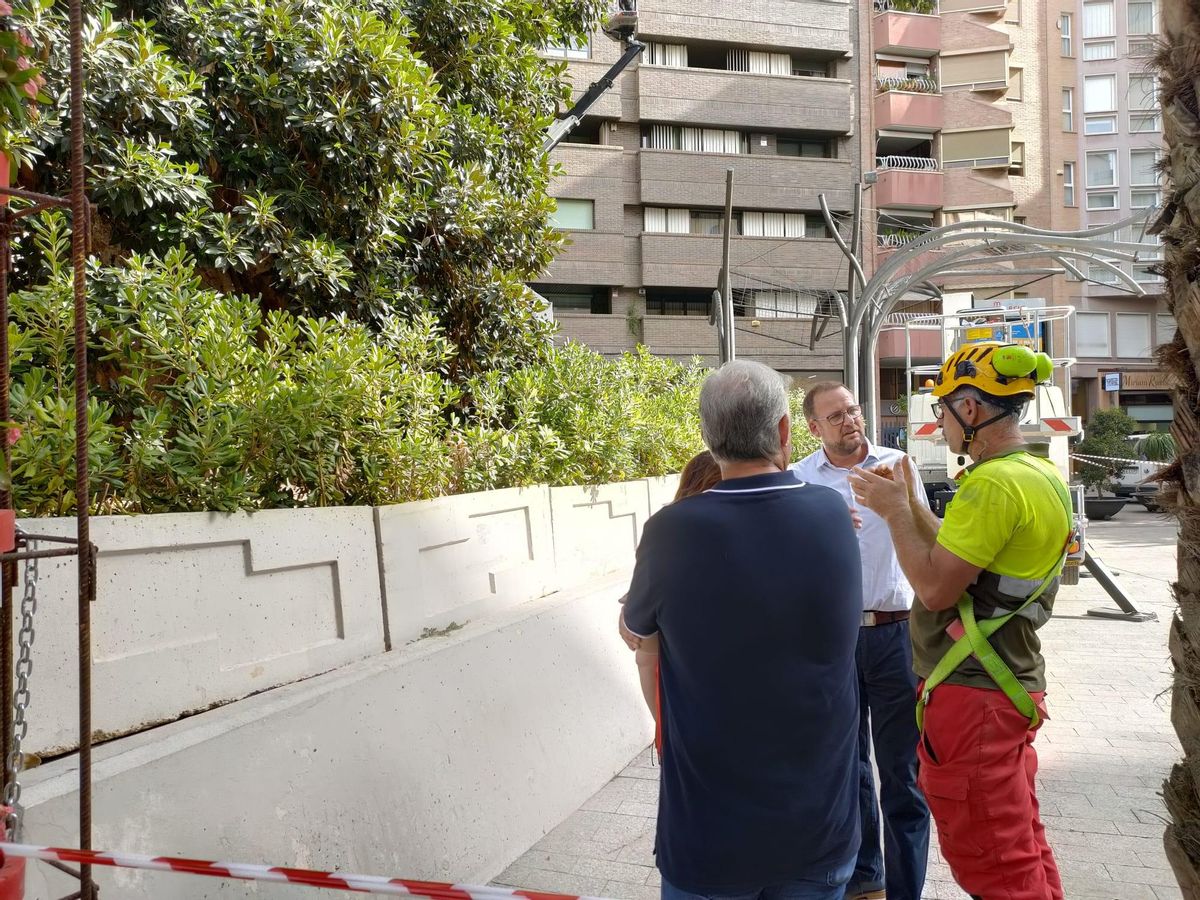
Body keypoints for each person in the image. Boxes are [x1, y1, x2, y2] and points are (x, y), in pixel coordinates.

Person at [620, 360, 863, 900]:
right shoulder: (830, 512)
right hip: (818, 824)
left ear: (707, 439)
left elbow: (636, 629)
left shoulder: (669, 532)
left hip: (709, 835)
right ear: (783, 431)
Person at [849, 343, 1071, 900]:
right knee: (1020, 842)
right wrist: (911, 504)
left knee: (993, 861)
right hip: (1006, 689)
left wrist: (895, 513)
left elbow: (934, 585)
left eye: (943, 409)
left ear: (970, 410)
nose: (941, 423)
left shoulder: (991, 485)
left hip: (974, 698)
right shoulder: (1035, 474)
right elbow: (958, 553)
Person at [791, 383, 930, 900]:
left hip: (896, 634)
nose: (850, 420)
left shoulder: (898, 465)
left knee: (903, 773)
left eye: (853, 410)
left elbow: (928, 533)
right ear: (814, 428)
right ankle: (865, 878)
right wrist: (818, 533)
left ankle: (907, 887)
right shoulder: (799, 480)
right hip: (834, 639)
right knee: (848, 768)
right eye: (836, 415)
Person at [621, 450, 723, 721]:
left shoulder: (666, 525)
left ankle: (663, 734)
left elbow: (646, 580)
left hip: (677, 666)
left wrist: (629, 609)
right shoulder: (681, 527)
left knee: (645, 655)